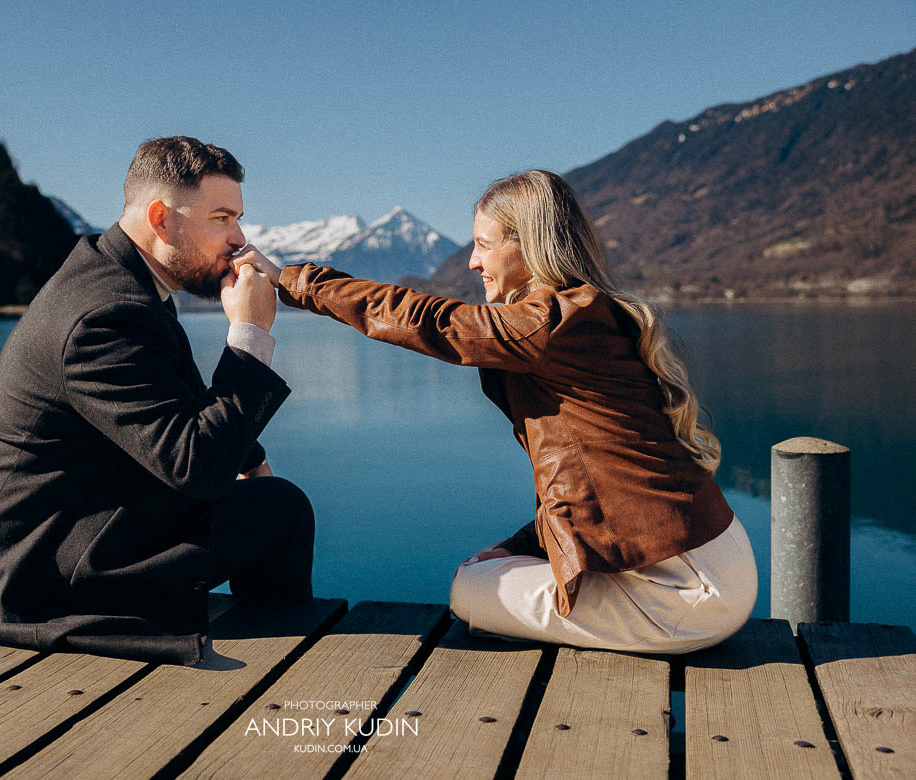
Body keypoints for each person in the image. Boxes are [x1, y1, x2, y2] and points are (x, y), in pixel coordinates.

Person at [235, 170, 756, 654]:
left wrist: (291, 282)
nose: (472, 262)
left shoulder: (551, 323)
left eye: (483, 245)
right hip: (710, 562)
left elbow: (428, 320)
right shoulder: (581, 317)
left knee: (470, 588)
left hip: (688, 593)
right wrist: (519, 544)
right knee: (496, 568)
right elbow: (587, 482)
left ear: (528, 248)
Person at [0, 136, 314, 665]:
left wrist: (252, 459)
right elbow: (197, 469)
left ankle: (266, 633)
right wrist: (250, 332)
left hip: (44, 528)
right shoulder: (105, 315)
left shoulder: (117, 277)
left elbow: (172, 396)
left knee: (263, 500)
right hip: (21, 571)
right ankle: (291, 658)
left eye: (238, 218)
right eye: (221, 218)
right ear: (161, 219)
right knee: (282, 509)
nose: (239, 238)